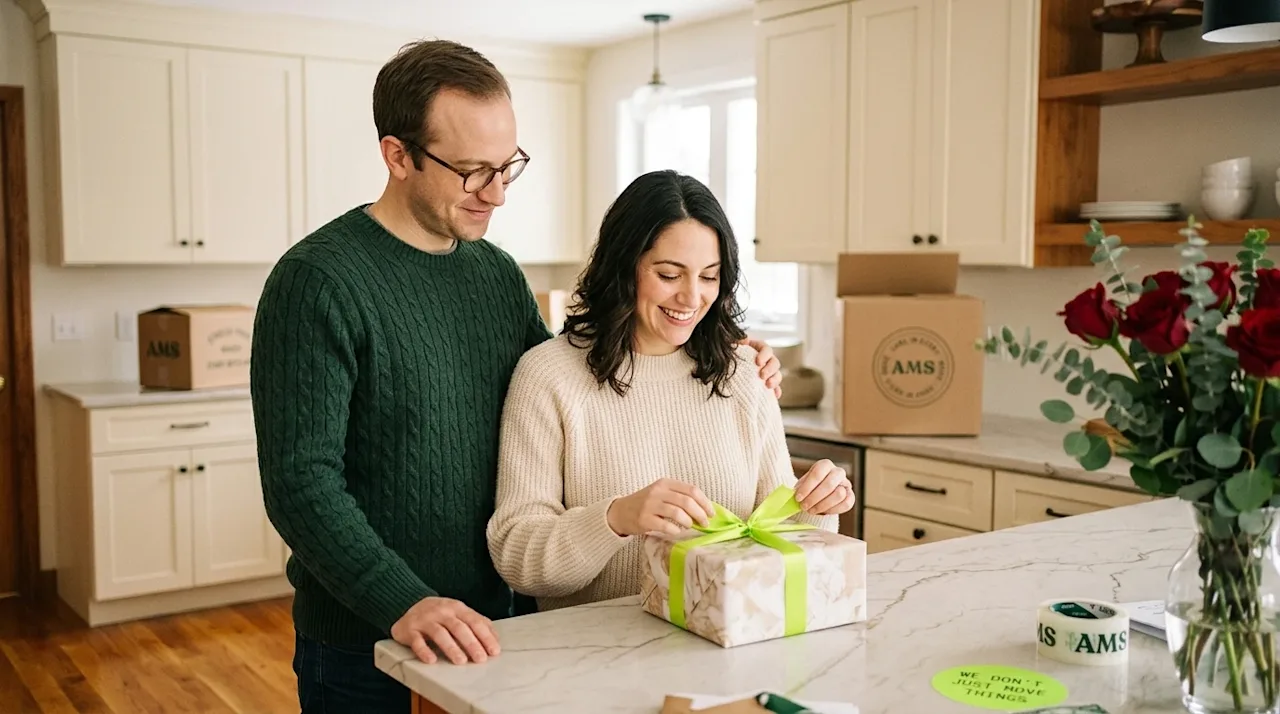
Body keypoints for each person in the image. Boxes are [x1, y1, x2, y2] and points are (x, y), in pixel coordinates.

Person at [249, 40, 796, 713]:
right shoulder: (317, 283)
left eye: (508, 167)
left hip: (498, 624)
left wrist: (722, 346)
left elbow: (577, 375)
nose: (498, 193)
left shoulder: (494, 274)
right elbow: (301, 486)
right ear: (397, 156)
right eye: (473, 171)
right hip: (371, 639)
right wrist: (405, 602)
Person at [485, 169, 856, 612]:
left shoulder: (743, 376)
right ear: (624, 267)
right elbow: (516, 556)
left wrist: (817, 504)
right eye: (669, 274)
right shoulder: (549, 377)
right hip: (591, 659)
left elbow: (775, 543)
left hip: (725, 644)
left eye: (709, 277)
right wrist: (615, 518)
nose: (691, 297)